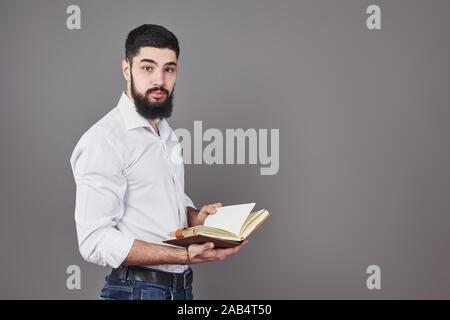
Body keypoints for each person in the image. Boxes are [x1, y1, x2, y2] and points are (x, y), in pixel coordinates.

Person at [69, 24, 247, 300]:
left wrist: (194, 217)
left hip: (180, 289)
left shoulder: (165, 131)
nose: (160, 80)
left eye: (169, 69)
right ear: (127, 69)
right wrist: (182, 254)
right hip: (135, 291)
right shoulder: (104, 140)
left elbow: (160, 198)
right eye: (148, 68)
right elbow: (94, 241)